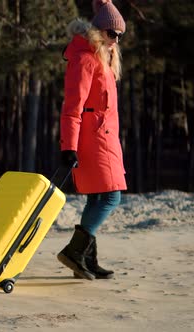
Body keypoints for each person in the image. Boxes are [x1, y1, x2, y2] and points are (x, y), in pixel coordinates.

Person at [57, 0, 127, 280]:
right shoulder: (85, 59)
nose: (116, 40)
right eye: (112, 33)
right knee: (111, 197)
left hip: (106, 138)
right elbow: (72, 108)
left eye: (120, 35)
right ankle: (74, 252)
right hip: (92, 139)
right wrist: (68, 147)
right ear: (99, 31)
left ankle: (86, 260)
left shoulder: (104, 59)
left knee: (99, 196)